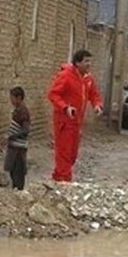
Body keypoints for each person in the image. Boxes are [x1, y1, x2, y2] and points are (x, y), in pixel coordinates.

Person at [47, 49, 103, 182]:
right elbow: (53, 94)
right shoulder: (66, 75)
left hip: (77, 123)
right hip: (64, 121)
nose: (89, 64)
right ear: (78, 63)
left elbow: (94, 94)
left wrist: (97, 105)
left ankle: (58, 178)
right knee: (64, 154)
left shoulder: (88, 78)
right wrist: (65, 107)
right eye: (86, 61)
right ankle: (64, 182)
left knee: (72, 155)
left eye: (90, 61)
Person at [4, 85, 31, 190]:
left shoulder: (23, 112)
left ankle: (19, 191)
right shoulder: (17, 110)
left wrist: (11, 136)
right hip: (14, 146)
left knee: (18, 172)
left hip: (19, 147)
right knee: (13, 170)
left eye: (12, 98)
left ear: (19, 98)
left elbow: (25, 130)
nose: (11, 100)